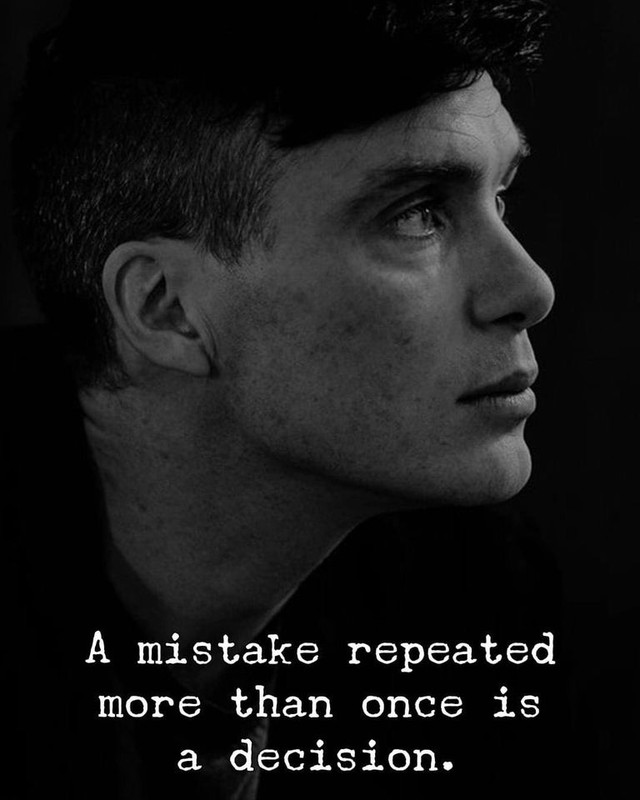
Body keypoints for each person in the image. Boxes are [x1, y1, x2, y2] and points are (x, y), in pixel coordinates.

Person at [6, 1, 568, 798]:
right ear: (166, 309)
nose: (530, 288)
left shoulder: (473, 592)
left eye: (500, 197)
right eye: (416, 214)